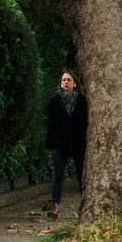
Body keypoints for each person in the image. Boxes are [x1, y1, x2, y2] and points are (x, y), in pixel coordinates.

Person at [45, 70, 88, 219]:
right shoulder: (54, 102)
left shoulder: (82, 101)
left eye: (69, 80)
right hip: (60, 144)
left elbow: (85, 123)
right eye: (63, 80)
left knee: (81, 175)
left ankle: (86, 205)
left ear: (74, 83)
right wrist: (50, 143)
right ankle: (55, 206)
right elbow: (50, 124)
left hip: (77, 144)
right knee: (58, 175)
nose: (66, 82)